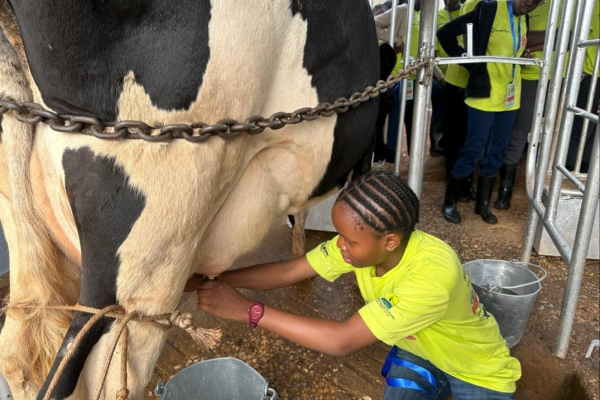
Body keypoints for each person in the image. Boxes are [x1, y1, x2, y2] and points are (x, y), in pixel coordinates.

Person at [191, 171, 521, 400]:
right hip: (420, 352)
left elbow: (342, 341)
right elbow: (290, 271)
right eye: (340, 236)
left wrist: (248, 310)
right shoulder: (360, 249)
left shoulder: (432, 275)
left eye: (349, 240)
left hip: (476, 367)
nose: (340, 246)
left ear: (390, 241)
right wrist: (213, 279)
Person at [437, 0, 544, 225]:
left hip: (509, 97)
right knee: (473, 149)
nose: (529, 3)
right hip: (484, 94)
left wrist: (521, 58)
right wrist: (472, 65)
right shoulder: (490, 9)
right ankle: (450, 201)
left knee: (497, 150)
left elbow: (511, 49)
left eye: (536, 2)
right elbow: (445, 33)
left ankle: (482, 204)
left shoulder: (522, 18)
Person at [494, 0, 551, 211]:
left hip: (559, 78)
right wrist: (551, 37)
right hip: (526, 77)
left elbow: (570, 38)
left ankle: (544, 192)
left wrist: (532, 42)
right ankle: (504, 191)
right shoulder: (520, 6)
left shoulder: (566, 6)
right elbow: (516, 42)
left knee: (552, 135)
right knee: (518, 132)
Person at [438, 0, 482, 202]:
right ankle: (454, 181)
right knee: (455, 135)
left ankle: (465, 182)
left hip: (478, 83)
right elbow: (465, 39)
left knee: (469, 136)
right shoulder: (474, 4)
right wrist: (468, 62)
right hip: (458, 80)